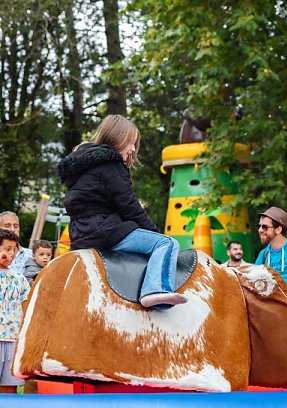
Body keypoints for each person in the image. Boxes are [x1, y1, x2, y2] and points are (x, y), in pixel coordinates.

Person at [57, 114, 188, 310]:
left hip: (81, 236)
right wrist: (155, 232)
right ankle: (155, 289)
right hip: (106, 233)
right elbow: (129, 207)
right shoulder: (111, 165)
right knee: (167, 243)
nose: (133, 149)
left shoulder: (81, 167)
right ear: (117, 138)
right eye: (130, 142)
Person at [0, 229, 30, 393]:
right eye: (6, 249)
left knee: (9, 390)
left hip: (13, 340)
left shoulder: (20, 279)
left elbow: (26, 309)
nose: (10, 254)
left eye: (14, 249)